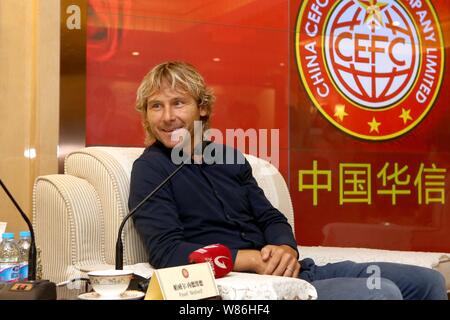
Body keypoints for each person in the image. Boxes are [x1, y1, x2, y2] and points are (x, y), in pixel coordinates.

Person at [129, 61, 447, 300]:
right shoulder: (151, 170)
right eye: (156, 106)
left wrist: (284, 248)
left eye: (178, 103)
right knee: (381, 293)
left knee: (428, 282)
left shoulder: (229, 158)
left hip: (294, 271)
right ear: (146, 116)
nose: (167, 116)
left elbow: (270, 217)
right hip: (246, 287)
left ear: (202, 109)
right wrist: (251, 260)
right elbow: (168, 252)